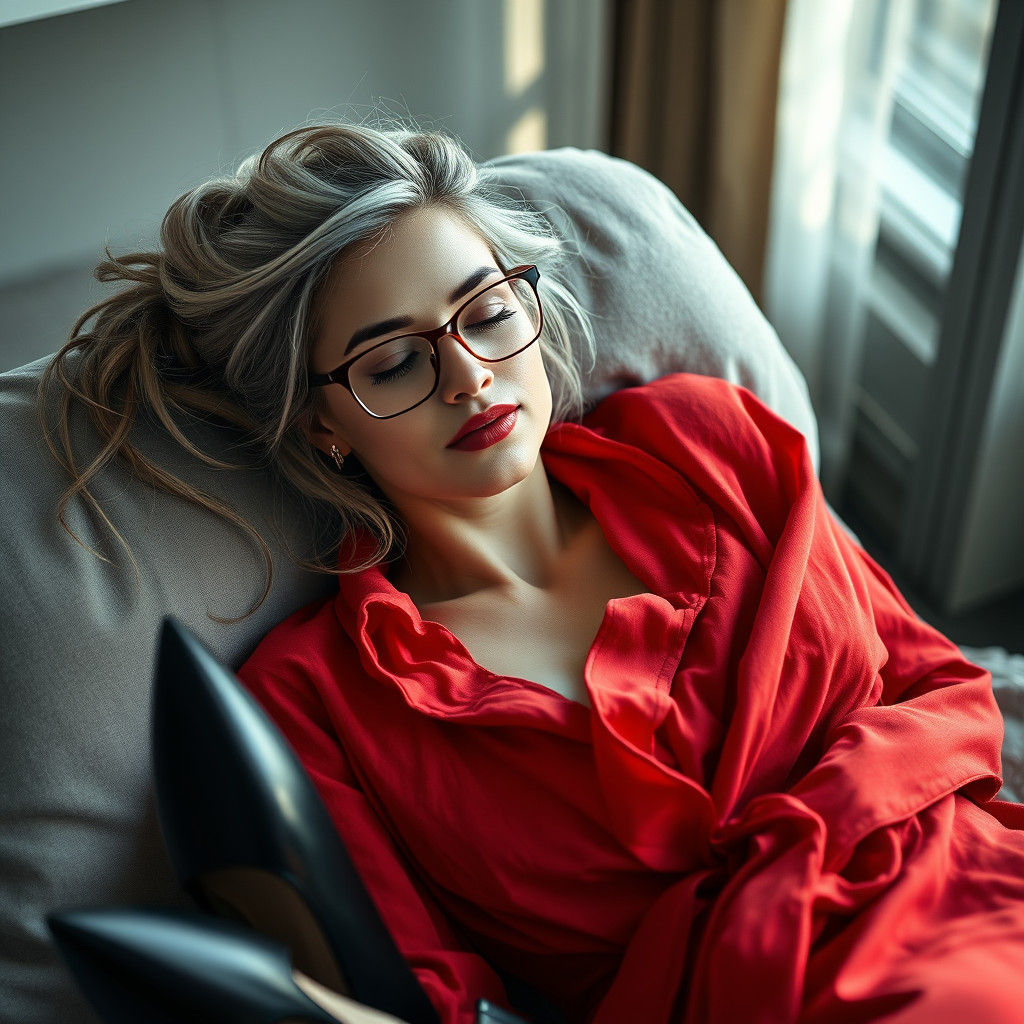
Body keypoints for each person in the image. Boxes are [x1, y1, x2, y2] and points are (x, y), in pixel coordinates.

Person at [41, 115, 1024, 1024]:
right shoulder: (318, 702)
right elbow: (433, 997)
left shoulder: (710, 443)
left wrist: (804, 843)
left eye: (486, 310)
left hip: (978, 900)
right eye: (393, 364)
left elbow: (937, 686)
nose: (470, 375)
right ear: (321, 425)